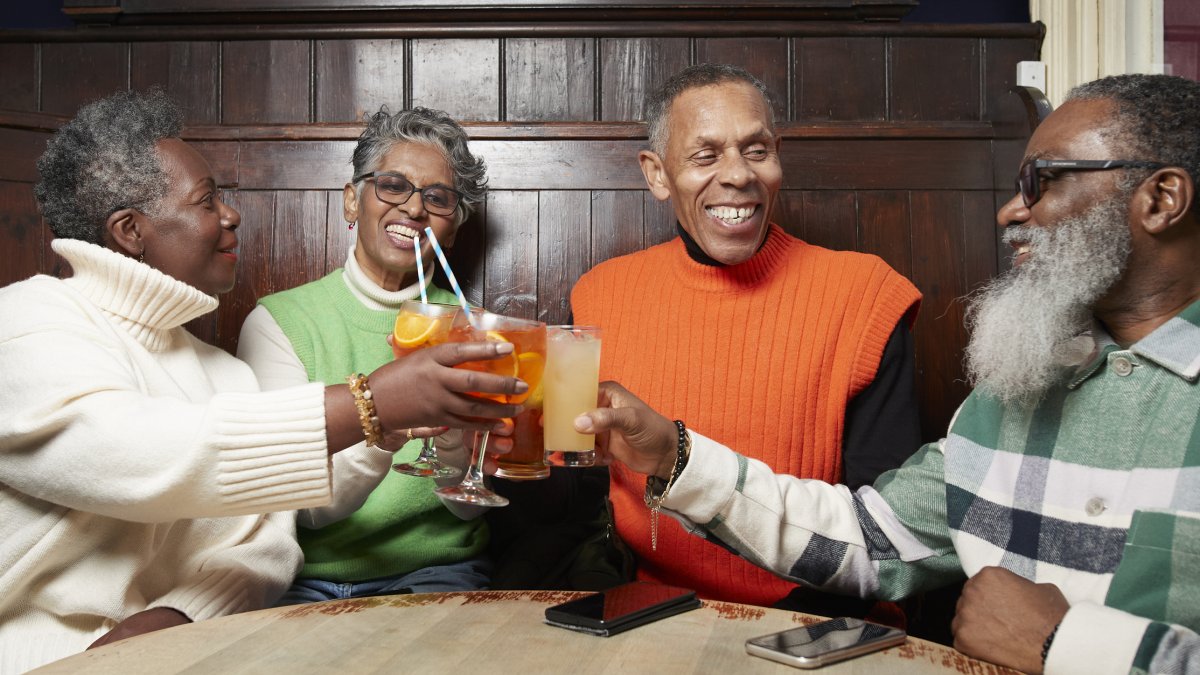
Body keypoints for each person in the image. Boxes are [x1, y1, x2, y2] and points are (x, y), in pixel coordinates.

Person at [579, 72, 1200, 675]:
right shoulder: (1015, 393)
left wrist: (1066, 644)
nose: (1011, 212)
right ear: (656, 173)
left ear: (1162, 199)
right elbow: (873, 540)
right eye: (1019, 184)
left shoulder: (865, 296)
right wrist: (672, 456)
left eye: (1044, 181)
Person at [0, 89, 522, 673]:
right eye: (207, 201)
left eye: (438, 199)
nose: (232, 214)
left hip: (181, 646)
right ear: (130, 229)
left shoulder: (218, 369)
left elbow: (267, 539)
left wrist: (182, 613)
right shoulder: (27, 318)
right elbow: (123, 452)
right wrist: (372, 405)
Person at [569, 63, 923, 612]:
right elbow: (573, 482)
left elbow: (889, 527)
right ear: (657, 174)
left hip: (813, 612)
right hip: (643, 606)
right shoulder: (599, 294)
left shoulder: (867, 296)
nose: (738, 175)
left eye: (756, 151)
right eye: (706, 155)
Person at [237, 107, 502, 603]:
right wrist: (384, 427)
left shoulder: (473, 328)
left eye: (437, 198)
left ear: (453, 228)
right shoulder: (279, 325)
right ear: (352, 202)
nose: (414, 209)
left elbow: (470, 508)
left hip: (436, 573)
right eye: (394, 185)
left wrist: (449, 442)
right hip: (303, 577)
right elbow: (296, 507)